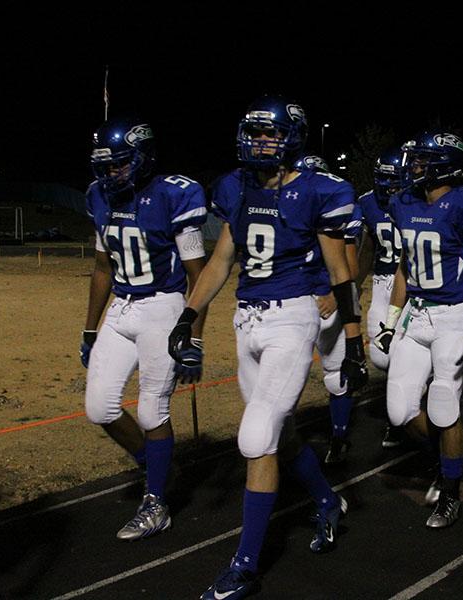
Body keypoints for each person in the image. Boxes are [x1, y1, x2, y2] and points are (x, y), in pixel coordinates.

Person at [168, 95, 368, 600]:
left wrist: (353, 341)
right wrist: (189, 316)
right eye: (253, 133)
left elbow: (341, 271)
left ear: (293, 139)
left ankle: (244, 565)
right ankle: (326, 503)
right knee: (286, 434)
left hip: (293, 319)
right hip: (247, 320)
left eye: (270, 134)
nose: (259, 143)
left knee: (256, 436)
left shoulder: (319, 190)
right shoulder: (236, 186)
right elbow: (219, 261)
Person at [82, 116, 208, 541]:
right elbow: (102, 268)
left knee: (152, 409)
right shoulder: (98, 196)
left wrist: (194, 336)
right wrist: (89, 329)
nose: (111, 173)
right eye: (106, 164)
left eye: (120, 163)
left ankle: (156, 503)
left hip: (163, 306)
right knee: (100, 407)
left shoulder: (173, 193)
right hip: (122, 306)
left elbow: (198, 273)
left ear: (143, 158)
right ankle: (154, 462)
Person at [374, 132, 463, 527]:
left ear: (447, 164)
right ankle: (444, 458)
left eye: (423, 160)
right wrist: (390, 324)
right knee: (400, 411)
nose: (414, 167)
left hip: (453, 316)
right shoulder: (404, 202)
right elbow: (402, 268)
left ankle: (450, 490)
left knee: (444, 405)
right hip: (416, 314)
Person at [294, 154, 360, 464]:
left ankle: (339, 435)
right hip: (295, 299)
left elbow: (349, 263)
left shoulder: (335, 209)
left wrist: (336, 296)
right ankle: (284, 442)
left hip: (325, 297)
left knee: (335, 376)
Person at [353, 148, 406, 448]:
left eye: (394, 179)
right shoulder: (367, 202)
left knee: (401, 353)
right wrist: (355, 283)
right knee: (381, 356)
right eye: (384, 179)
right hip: (383, 282)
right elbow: (368, 249)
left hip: (411, 286)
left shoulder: (417, 200)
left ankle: (398, 418)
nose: (388, 186)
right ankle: (408, 400)